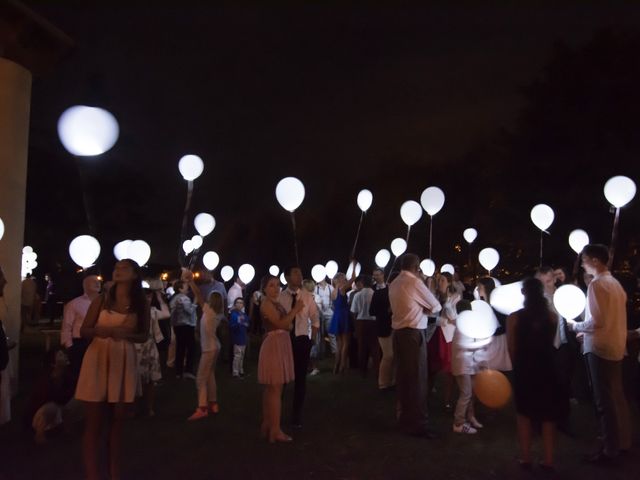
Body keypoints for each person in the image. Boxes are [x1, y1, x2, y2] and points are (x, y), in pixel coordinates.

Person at [75, 259, 150, 480]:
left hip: (123, 360)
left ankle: (114, 472)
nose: (118, 271)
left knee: (117, 422)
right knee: (94, 423)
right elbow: (84, 330)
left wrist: (125, 335)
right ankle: (93, 474)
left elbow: (144, 335)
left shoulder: (140, 303)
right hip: (98, 358)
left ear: (135, 275)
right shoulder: (102, 300)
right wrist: (99, 331)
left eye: (124, 268)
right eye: (116, 267)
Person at [567, 244, 631, 464]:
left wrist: (575, 326)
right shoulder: (615, 284)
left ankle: (609, 450)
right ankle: (619, 442)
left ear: (595, 261)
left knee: (603, 401)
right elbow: (614, 319)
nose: (583, 264)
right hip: (615, 347)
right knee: (614, 397)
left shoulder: (596, 285)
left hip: (600, 349)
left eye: (584, 259)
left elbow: (597, 320)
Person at [507, 277, 564, 470]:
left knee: (524, 414)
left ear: (524, 293)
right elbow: (551, 343)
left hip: (525, 368)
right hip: (548, 368)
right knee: (548, 415)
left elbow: (512, 348)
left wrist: (518, 367)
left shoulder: (514, 318)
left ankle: (526, 457)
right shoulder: (552, 317)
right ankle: (548, 459)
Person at [389, 253, 441, 437]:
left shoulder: (394, 282)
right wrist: (424, 309)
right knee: (418, 378)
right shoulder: (414, 282)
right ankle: (419, 423)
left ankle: (403, 418)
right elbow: (435, 306)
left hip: (398, 333)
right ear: (416, 267)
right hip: (412, 333)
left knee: (403, 378)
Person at [258, 275, 303, 442]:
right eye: (271, 285)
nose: (276, 288)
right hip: (274, 346)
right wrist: (295, 310)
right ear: (264, 288)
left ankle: (268, 425)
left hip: (279, 343)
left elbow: (287, 324)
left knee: (272, 388)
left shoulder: (275, 304)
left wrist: (288, 319)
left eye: (277, 285)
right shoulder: (267, 304)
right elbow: (282, 324)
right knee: (275, 389)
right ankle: (275, 430)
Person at [279, 266, 320, 427]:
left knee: (300, 379)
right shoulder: (281, 297)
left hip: (302, 340)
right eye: (295, 273)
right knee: (281, 378)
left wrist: (312, 339)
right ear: (287, 277)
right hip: (285, 340)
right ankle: (277, 412)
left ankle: (296, 416)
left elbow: (315, 317)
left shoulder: (307, 296)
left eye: (300, 273)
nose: (299, 276)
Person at [188, 278, 223, 421]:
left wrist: (191, 281)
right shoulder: (218, 314)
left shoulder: (208, 310)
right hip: (215, 346)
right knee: (210, 375)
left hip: (209, 349)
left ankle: (202, 408)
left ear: (211, 300)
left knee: (201, 379)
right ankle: (213, 403)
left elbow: (198, 294)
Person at [451, 300, 485, 435]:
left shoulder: (463, 323)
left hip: (469, 363)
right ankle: (458, 423)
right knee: (466, 394)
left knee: (471, 393)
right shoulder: (463, 324)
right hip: (463, 364)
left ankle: (470, 417)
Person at [428, 272, 459, 411]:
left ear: (449, 283)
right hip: (433, 334)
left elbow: (454, 318)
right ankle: (427, 392)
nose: (439, 282)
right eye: (438, 280)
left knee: (449, 369)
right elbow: (428, 316)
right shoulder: (433, 297)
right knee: (430, 366)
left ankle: (447, 400)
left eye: (442, 280)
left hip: (447, 337)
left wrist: (446, 302)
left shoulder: (455, 298)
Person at [61, 275, 101, 380]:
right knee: (79, 374)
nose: (97, 284)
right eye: (93, 281)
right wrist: (70, 346)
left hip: (100, 341)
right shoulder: (74, 304)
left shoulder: (104, 303)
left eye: (98, 282)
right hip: (80, 343)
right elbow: (67, 326)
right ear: (85, 285)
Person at [136, 288, 166, 417]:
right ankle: (134, 407)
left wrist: (160, 299)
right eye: (146, 297)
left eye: (150, 297)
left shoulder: (153, 311)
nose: (148, 299)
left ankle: (149, 407)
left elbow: (166, 314)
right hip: (136, 347)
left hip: (149, 346)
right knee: (135, 378)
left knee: (150, 380)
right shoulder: (133, 311)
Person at [369, 271, 395, 391]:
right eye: (375, 274)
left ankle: (391, 380)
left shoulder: (391, 289)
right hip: (383, 325)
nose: (376, 276)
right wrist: (387, 310)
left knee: (393, 355)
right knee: (388, 355)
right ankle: (383, 382)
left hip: (394, 325)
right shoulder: (375, 291)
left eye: (378, 274)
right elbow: (372, 311)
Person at [350, 275, 379, 378]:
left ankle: (362, 370)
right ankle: (377, 369)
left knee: (362, 347)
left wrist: (355, 325)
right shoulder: (375, 294)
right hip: (373, 322)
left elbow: (354, 311)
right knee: (374, 346)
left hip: (361, 322)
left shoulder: (358, 295)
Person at [169, 279, 198, 379]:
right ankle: (188, 370)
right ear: (180, 289)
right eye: (185, 286)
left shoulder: (174, 298)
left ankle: (178, 371)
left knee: (180, 348)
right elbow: (190, 311)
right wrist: (195, 302)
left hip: (177, 326)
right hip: (186, 326)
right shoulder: (183, 298)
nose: (188, 287)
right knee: (191, 348)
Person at [329, 272, 353, 374]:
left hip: (336, 316)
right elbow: (353, 278)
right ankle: (343, 365)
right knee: (345, 343)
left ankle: (336, 366)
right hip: (344, 316)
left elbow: (333, 306)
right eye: (344, 278)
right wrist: (354, 265)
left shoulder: (333, 291)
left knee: (339, 344)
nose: (345, 280)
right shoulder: (342, 289)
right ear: (339, 280)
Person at [229, 297, 250, 378]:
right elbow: (232, 326)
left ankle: (241, 370)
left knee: (241, 355)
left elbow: (247, 324)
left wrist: (244, 323)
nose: (239, 304)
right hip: (237, 338)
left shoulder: (244, 315)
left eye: (241, 303)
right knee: (237, 356)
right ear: (235, 304)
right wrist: (239, 323)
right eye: (237, 302)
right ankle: (235, 372)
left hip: (243, 338)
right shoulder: (234, 315)